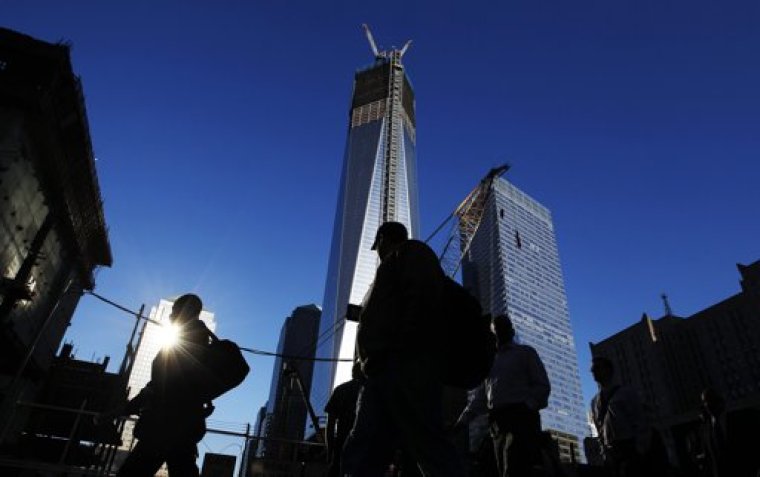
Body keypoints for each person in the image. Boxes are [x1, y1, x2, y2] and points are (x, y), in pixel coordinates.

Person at [341, 221, 465, 477]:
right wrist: (363, 361)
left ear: (384, 238)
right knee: (365, 446)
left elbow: (422, 300)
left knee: (427, 443)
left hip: (405, 367)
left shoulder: (412, 253)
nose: (377, 251)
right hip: (379, 371)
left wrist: (401, 349)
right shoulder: (391, 268)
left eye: (378, 245)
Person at [105, 294, 214, 477]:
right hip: (184, 428)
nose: (171, 316)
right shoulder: (203, 343)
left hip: (163, 426)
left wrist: (123, 409)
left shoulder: (185, 344)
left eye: (174, 311)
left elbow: (158, 386)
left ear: (184, 312)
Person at [455, 314, 551, 477]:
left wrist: (526, 407)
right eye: (496, 329)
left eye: (504, 327)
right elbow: (480, 398)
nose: (500, 332)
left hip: (521, 420)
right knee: (499, 467)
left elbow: (542, 386)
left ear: (512, 331)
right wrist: (461, 422)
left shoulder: (525, 353)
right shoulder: (491, 362)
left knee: (515, 467)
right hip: (497, 423)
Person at [590, 356, 643, 477]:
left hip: (630, 449)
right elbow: (599, 430)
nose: (593, 370)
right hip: (610, 454)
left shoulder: (626, 393)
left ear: (608, 370)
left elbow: (640, 422)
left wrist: (640, 451)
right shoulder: (594, 402)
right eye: (593, 368)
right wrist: (604, 454)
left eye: (597, 367)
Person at [325, 362, 364, 477]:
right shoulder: (371, 392)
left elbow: (330, 424)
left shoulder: (340, 390)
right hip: (364, 445)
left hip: (341, 443)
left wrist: (330, 450)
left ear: (353, 373)